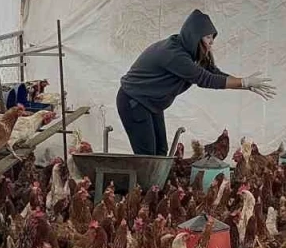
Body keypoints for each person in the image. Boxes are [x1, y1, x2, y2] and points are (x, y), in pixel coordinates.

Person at [116, 9, 277, 155]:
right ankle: (145, 179)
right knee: (148, 156)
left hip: (151, 102)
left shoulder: (189, 52)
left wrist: (246, 85)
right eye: (207, 37)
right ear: (195, 37)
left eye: (212, 37)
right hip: (134, 100)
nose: (211, 42)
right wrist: (243, 82)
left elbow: (213, 72)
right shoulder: (174, 54)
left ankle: (154, 178)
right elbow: (205, 79)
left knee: (160, 152)